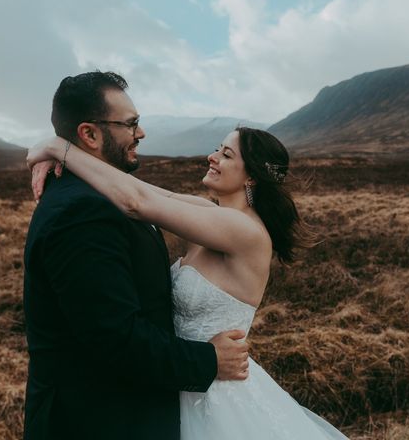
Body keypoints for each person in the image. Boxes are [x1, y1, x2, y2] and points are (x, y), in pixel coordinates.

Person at [22, 72, 249, 440]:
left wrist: (54, 147)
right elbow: (115, 336)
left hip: (130, 412)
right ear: (89, 134)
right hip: (97, 422)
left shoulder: (109, 195)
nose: (140, 134)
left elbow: (145, 200)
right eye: (131, 124)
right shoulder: (81, 212)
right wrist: (208, 361)